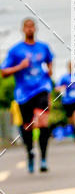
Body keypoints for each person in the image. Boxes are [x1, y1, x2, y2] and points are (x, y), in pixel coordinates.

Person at [1, 18, 53, 173]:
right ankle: (30, 153)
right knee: (28, 127)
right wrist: (20, 66)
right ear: (23, 29)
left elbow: (50, 61)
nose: (30, 29)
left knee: (43, 121)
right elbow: (4, 72)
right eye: (27, 27)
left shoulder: (43, 47)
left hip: (41, 88)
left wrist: (49, 70)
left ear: (35, 29)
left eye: (32, 26)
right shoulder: (15, 50)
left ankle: (43, 158)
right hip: (23, 93)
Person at [56, 61, 75, 142]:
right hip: (67, 101)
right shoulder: (64, 77)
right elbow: (57, 88)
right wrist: (62, 88)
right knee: (71, 120)